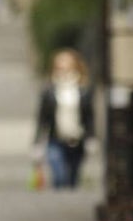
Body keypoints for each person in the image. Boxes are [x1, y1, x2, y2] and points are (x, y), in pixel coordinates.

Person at [33, 48, 93, 189]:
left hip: (76, 139)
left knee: (73, 178)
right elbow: (42, 118)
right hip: (55, 138)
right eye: (59, 64)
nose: (63, 67)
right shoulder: (49, 90)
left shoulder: (83, 90)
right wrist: (37, 142)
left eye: (66, 63)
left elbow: (89, 116)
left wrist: (91, 137)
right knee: (59, 176)